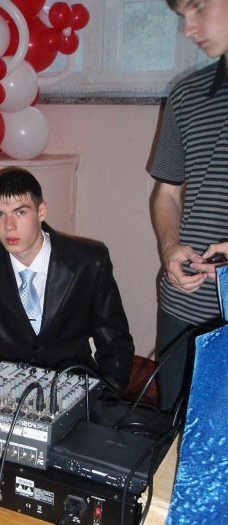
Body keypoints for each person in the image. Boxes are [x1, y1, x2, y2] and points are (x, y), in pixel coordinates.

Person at [0, 167, 134, 394]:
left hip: (75, 391)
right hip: (7, 391)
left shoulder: (89, 262)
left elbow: (115, 343)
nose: (9, 226)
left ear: (41, 211)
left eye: (20, 212)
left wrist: (108, 401)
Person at [150, 0, 228, 411]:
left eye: (198, 7)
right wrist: (168, 248)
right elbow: (166, 194)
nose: (188, 28)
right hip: (183, 308)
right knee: (175, 430)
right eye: (183, 15)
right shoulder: (185, 95)